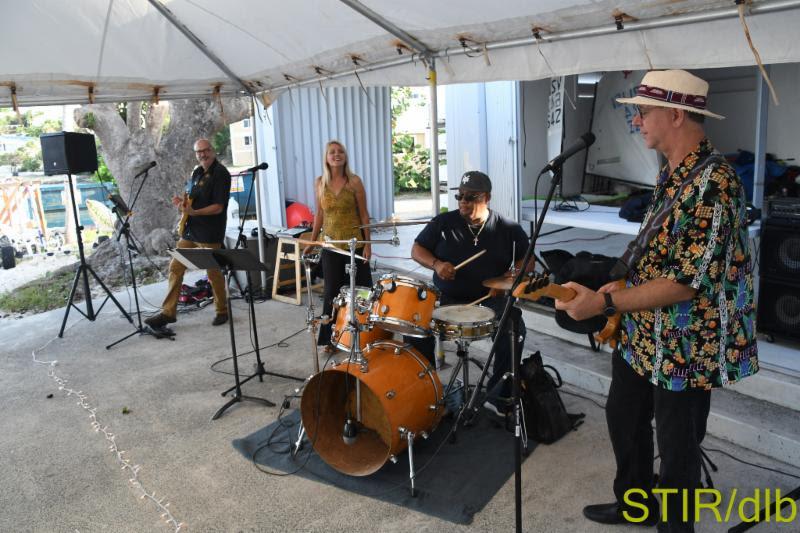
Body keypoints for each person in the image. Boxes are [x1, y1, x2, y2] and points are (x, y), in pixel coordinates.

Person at [554, 70, 758, 532]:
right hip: (645, 331)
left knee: (678, 444)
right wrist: (616, 288)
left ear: (677, 114)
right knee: (623, 414)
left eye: (642, 112)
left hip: (687, 344)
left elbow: (686, 283)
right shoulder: (673, 173)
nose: (636, 122)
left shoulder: (716, 184)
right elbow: (659, 253)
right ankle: (634, 505)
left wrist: (606, 307)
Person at [410, 170, 530, 416]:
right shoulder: (443, 223)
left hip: (489, 300)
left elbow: (527, 262)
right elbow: (417, 249)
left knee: (513, 326)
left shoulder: (508, 228)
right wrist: (437, 264)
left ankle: (499, 395)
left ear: (486, 198)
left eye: (470, 197)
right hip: (447, 298)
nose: (463, 201)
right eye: (460, 196)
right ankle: (425, 391)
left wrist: (509, 279)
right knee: (414, 325)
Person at [145, 138, 232, 329]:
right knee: (175, 267)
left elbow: (218, 207)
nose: (202, 154)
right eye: (198, 152)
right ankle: (168, 313)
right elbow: (192, 201)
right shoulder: (197, 172)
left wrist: (195, 212)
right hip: (191, 231)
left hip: (210, 232)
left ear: (213, 150)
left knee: (213, 273)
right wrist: (182, 205)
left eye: (205, 150)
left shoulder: (221, 174)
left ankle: (222, 311)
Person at [307, 140, 373, 351]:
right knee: (332, 294)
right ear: (326, 158)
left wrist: (368, 244)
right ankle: (331, 339)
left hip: (355, 245)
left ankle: (367, 336)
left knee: (363, 292)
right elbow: (319, 215)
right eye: (332, 152)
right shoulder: (320, 183)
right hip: (331, 246)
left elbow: (364, 215)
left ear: (345, 156)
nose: (337, 155)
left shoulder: (354, 182)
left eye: (340, 152)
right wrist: (313, 242)